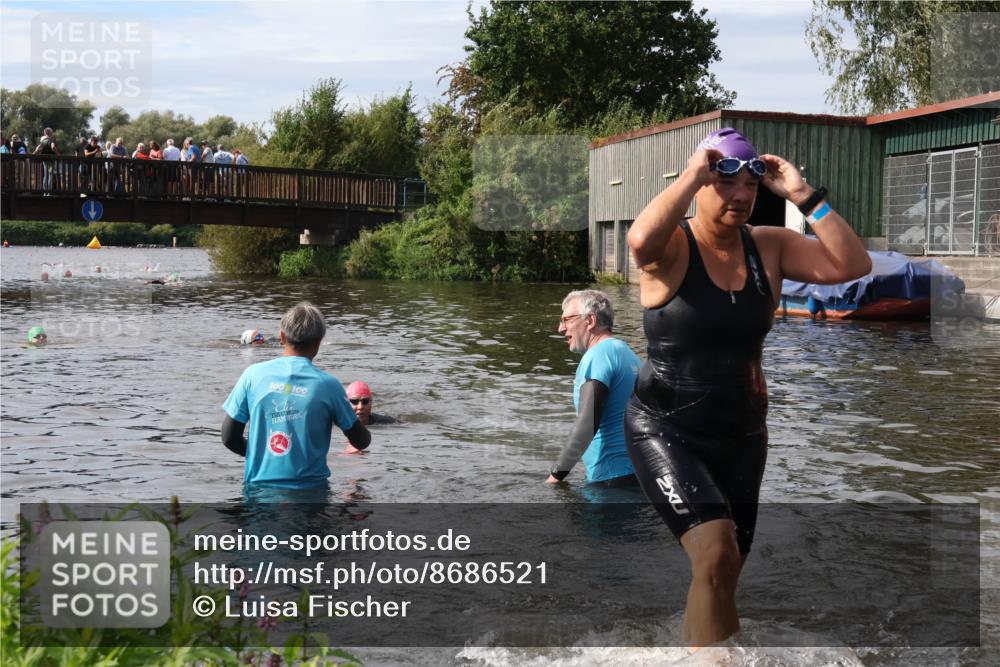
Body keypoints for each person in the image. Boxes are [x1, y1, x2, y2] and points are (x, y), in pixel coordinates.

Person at [624, 127, 872, 648]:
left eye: (751, 186)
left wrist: (804, 195)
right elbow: (639, 241)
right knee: (715, 553)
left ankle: (698, 653)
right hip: (667, 429)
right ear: (702, 184)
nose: (740, 195)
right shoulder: (674, 246)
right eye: (725, 183)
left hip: (742, 434)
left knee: (727, 564)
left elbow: (853, 265)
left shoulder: (769, 246)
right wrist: (691, 174)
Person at [221, 303, 370, 488]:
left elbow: (229, 437)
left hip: (258, 491)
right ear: (319, 341)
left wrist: (260, 454)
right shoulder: (329, 385)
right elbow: (361, 441)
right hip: (311, 493)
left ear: (282, 336)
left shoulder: (252, 375)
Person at [545, 289, 640, 487]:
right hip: (638, 471)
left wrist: (556, 476)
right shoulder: (628, 354)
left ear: (590, 320)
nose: (561, 328)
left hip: (610, 478)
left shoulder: (598, 355)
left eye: (567, 319)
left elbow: (587, 423)